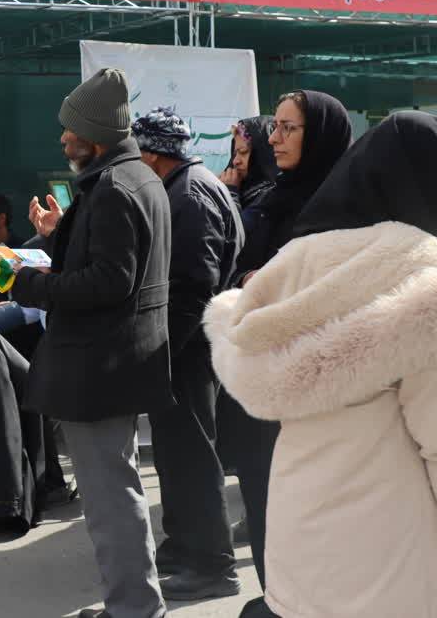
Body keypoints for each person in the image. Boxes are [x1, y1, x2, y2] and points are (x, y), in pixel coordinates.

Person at [207, 112, 437, 618]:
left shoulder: (297, 258)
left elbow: (238, 334)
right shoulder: (429, 280)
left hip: (300, 528)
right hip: (390, 541)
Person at [12, 68, 174, 618]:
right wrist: (61, 237)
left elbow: (109, 282)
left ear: (97, 135)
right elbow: (113, 264)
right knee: (117, 493)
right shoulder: (136, 178)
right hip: (117, 364)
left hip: (99, 369)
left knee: (109, 501)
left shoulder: (114, 189)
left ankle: (134, 609)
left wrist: (29, 284)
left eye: (71, 130)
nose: (63, 139)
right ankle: (134, 604)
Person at [220, 90, 351, 591]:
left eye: (289, 128)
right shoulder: (277, 196)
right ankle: (276, 598)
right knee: (262, 495)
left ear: (319, 135)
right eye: (274, 127)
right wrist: (248, 280)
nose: (274, 138)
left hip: (309, 382)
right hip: (261, 371)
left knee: (308, 508)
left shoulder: (341, 207)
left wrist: (279, 284)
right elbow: (236, 267)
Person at [131, 108, 244, 602]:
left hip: (187, 350)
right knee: (176, 458)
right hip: (184, 348)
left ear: (151, 155)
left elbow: (193, 288)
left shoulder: (191, 196)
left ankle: (213, 567)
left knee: (193, 459)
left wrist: (161, 353)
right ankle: (182, 550)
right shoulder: (183, 187)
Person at [219, 117, 276, 212]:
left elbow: (237, 222)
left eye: (243, 152)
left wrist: (230, 194)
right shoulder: (241, 188)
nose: (235, 161)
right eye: (234, 154)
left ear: (262, 154)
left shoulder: (273, 197)